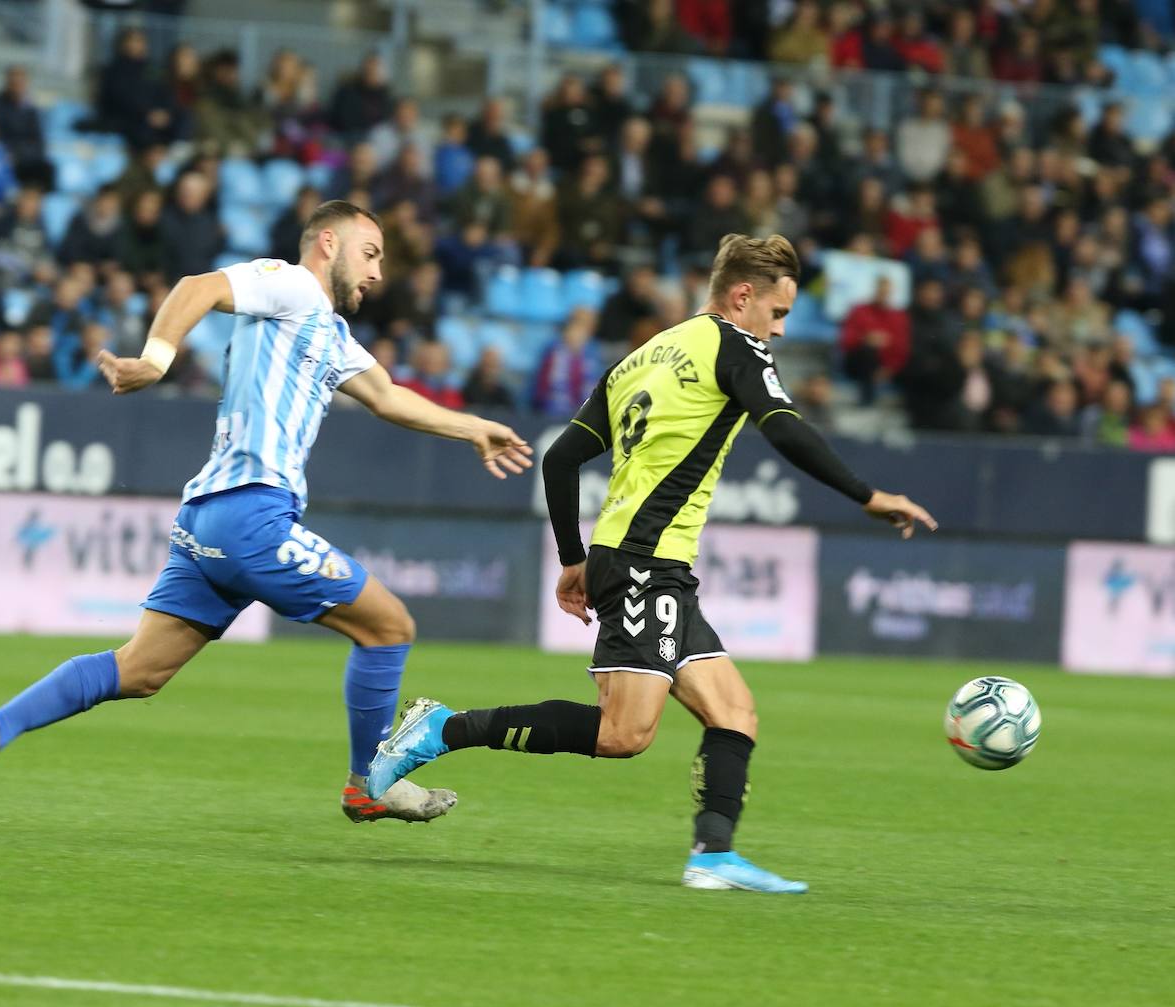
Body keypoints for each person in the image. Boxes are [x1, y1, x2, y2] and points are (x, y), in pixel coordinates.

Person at [365, 234, 936, 893]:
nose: (777, 332)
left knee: (734, 713)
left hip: (635, 560)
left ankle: (713, 855)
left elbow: (560, 459)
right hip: (645, 563)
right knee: (623, 732)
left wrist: (574, 558)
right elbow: (782, 425)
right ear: (742, 297)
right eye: (777, 315)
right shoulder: (735, 345)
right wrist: (869, 496)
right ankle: (443, 728)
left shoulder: (646, 354)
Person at [0, 200, 534, 828]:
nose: (378, 273)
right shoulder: (294, 285)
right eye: (371, 253)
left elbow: (387, 396)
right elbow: (199, 287)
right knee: (389, 627)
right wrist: (159, 359)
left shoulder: (328, 334)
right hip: (252, 516)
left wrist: (473, 429)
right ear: (328, 243)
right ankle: (369, 783)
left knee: (138, 670)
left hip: (207, 519)